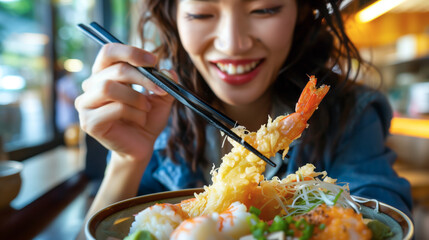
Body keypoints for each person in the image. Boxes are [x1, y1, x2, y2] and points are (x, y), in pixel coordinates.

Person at [75, 0, 412, 227]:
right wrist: (127, 160)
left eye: (264, 8)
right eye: (202, 13)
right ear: (174, 19)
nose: (233, 43)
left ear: (301, 12)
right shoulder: (152, 113)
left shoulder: (351, 113)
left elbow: (381, 221)